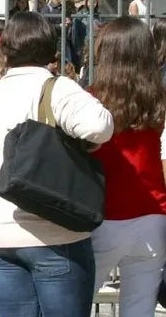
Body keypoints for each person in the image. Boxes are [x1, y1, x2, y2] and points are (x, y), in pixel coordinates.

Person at [0, 11, 114, 316]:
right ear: (51, 50)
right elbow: (100, 126)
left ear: (4, 50)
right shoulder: (58, 89)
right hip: (57, 233)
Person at [88, 16, 166, 315]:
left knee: (76, 304)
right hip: (154, 216)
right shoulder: (160, 101)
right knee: (139, 310)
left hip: (102, 217)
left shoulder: (91, 101)